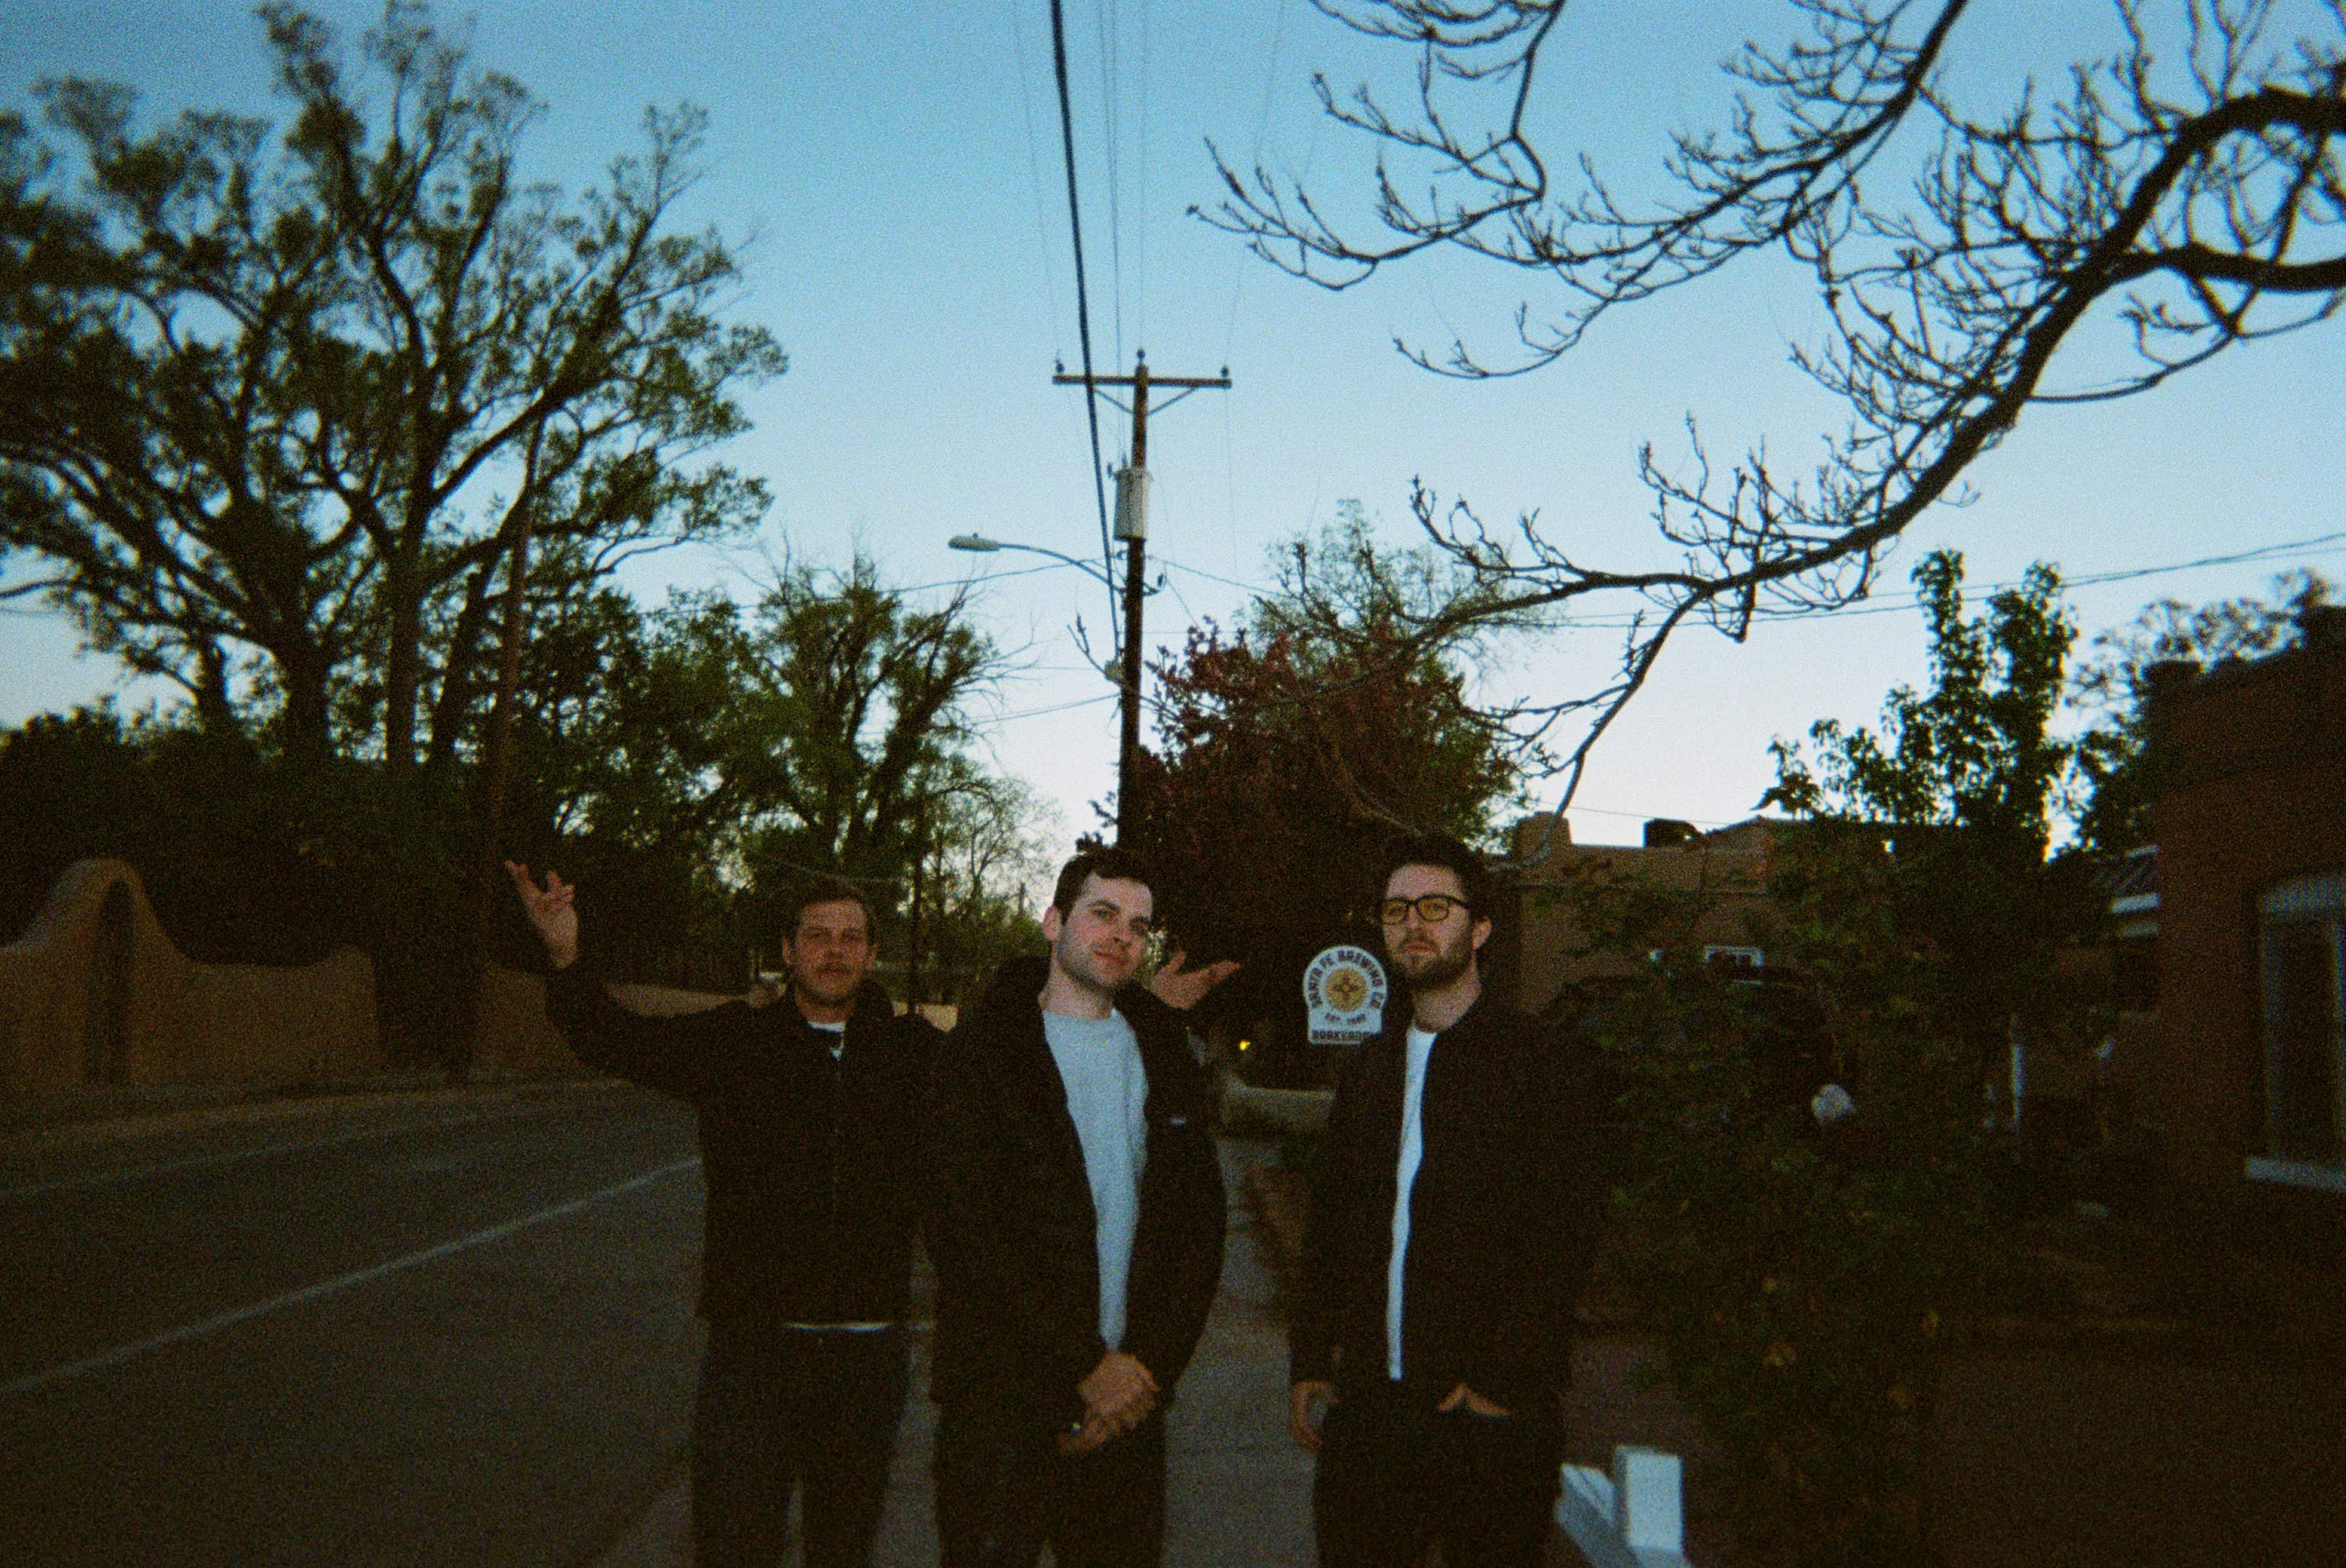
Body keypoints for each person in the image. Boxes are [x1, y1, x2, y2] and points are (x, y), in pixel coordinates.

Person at [505, 863, 936, 1568]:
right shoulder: (738, 1042)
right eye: (818, 935)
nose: (835, 950)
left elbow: (1017, 1068)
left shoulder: (913, 1056)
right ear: (789, 950)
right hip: (754, 1355)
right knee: (734, 1543)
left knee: (844, 1546)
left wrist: (1147, 1012)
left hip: (867, 1358)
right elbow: (613, 1038)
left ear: (871, 952)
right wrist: (564, 954)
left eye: (851, 937)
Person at [1288, 833, 1609, 1568]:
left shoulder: (1543, 1063)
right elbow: (1331, 1224)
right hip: (1370, 1417)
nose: (1413, 923)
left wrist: (1503, 1381)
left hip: (1486, 1421)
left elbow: (1565, 1233)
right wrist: (1310, 1357)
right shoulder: (1370, 1067)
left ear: (1481, 927)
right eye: (1397, 909)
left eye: (1436, 906)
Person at [926, 847, 1237, 1567]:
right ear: (1052, 921)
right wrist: (1082, 1364)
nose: (1121, 935)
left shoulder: (1161, 1052)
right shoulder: (981, 1055)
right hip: (1001, 1406)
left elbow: (1197, 1228)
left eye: (1138, 923)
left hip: (1127, 1403)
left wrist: (1142, 1373)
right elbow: (963, 1234)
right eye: (1102, 913)